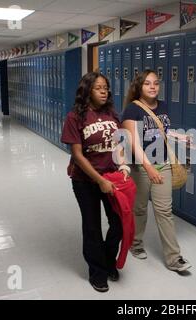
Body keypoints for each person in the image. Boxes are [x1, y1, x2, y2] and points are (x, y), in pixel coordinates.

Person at [61, 72, 130, 293]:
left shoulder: (111, 113)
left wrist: (123, 165)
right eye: (98, 87)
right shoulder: (75, 117)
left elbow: (120, 142)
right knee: (92, 227)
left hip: (111, 179)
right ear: (87, 90)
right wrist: (99, 180)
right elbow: (78, 156)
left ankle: (108, 260)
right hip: (85, 181)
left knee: (118, 224)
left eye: (106, 88)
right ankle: (97, 272)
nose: (104, 91)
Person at [121, 69, 192, 273]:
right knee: (140, 208)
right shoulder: (132, 110)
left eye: (156, 83)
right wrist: (148, 168)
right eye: (147, 83)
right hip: (141, 167)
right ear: (139, 87)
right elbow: (134, 142)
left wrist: (181, 137)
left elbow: (164, 130)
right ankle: (135, 245)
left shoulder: (162, 106)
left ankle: (173, 258)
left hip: (164, 163)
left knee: (164, 211)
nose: (153, 87)